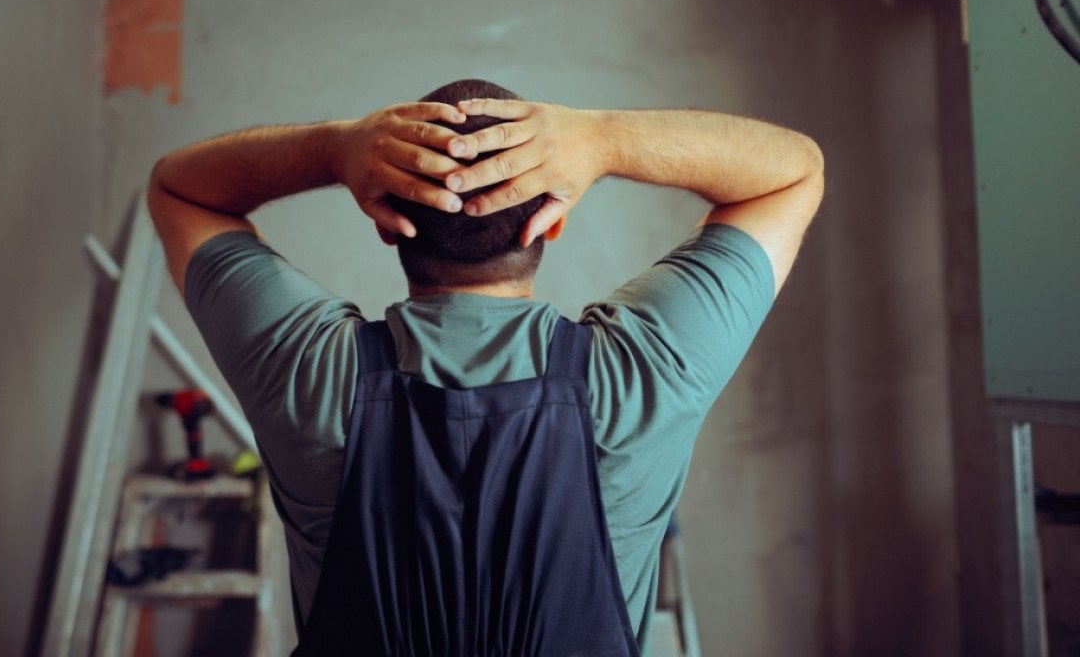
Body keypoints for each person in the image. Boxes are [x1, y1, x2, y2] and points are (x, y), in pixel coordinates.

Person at [147, 79, 823, 655]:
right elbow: (793, 171)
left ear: (384, 223)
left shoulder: (310, 372)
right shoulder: (638, 372)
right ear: (552, 222)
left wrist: (336, 148)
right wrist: (601, 140)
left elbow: (180, 190)